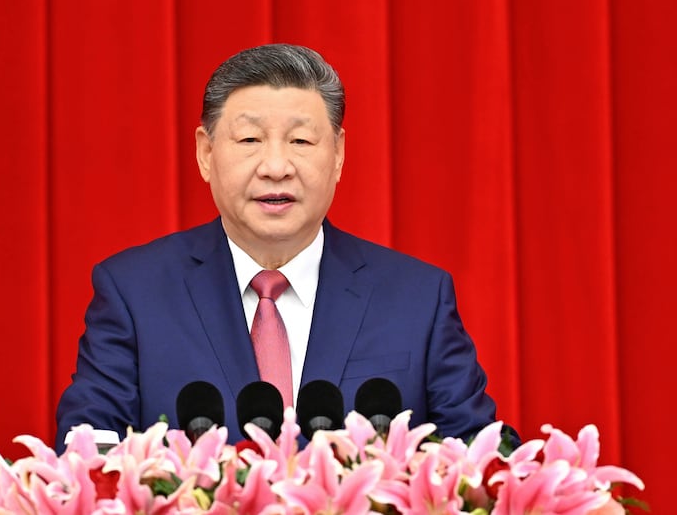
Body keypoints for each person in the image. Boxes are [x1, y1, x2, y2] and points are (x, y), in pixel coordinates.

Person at [55, 43, 510, 453]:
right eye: (250, 140)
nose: (276, 166)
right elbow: (88, 454)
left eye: (301, 141)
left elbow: (482, 462)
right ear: (206, 154)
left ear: (338, 154)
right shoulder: (134, 293)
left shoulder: (418, 298)